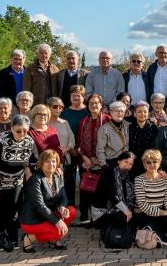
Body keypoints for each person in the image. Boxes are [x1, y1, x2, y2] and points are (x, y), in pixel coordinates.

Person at [0, 115, 35, 248]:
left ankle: (13, 239)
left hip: (16, 181)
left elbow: (28, 161)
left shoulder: (29, 141)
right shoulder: (0, 141)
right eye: (19, 131)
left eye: (25, 130)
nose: (22, 134)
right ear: (11, 128)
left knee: (12, 211)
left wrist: (28, 170)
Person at [20, 149, 76, 252]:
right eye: (47, 161)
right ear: (41, 163)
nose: (51, 164)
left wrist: (62, 207)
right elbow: (39, 206)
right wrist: (57, 221)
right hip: (33, 219)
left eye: (54, 161)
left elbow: (63, 196)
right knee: (59, 231)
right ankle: (28, 238)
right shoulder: (35, 179)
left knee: (71, 211)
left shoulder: (57, 176)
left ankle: (54, 239)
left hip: (47, 215)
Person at [134, 149, 167, 241]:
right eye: (148, 162)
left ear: (159, 163)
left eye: (155, 162)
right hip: (144, 214)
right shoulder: (139, 180)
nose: (152, 165)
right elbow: (142, 205)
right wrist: (164, 213)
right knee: (163, 240)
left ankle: (152, 230)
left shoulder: (163, 178)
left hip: (158, 214)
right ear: (144, 164)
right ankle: (151, 231)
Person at [77, 93, 111, 222]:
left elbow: (112, 143)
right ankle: (85, 218)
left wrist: (100, 159)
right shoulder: (84, 121)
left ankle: (99, 219)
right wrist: (85, 157)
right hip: (87, 163)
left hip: (103, 162)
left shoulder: (108, 120)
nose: (93, 105)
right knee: (85, 190)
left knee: (101, 191)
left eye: (96, 103)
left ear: (101, 105)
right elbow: (79, 142)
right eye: (91, 103)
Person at [97, 151, 136, 232]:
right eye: (126, 162)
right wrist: (126, 210)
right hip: (103, 211)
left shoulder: (128, 175)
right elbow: (112, 196)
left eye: (130, 164)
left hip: (120, 208)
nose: (127, 166)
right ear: (119, 161)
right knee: (122, 218)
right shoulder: (109, 172)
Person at [48, 97, 76, 203]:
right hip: (50, 162)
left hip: (65, 160)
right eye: (55, 106)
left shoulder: (65, 123)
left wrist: (67, 148)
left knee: (68, 188)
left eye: (61, 107)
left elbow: (72, 140)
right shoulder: (44, 124)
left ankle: (69, 212)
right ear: (48, 107)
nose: (58, 109)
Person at [129, 101, 159, 176]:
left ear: (148, 113)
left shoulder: (153, 127)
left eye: (145, 112)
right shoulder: (129, 128)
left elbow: (157, 146)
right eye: (139, 112)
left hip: (150, 163)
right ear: (134, 114)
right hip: (133, 163)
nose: (142, 114)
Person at [96, 101, 130, 167]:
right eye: (116, 111)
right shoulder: (104, 129)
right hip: (112, 163)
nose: (119, 113)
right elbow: (100, 150)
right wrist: (104, 165)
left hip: (128, 163)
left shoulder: (128, 126)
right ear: (111, 112)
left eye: (122, 111)